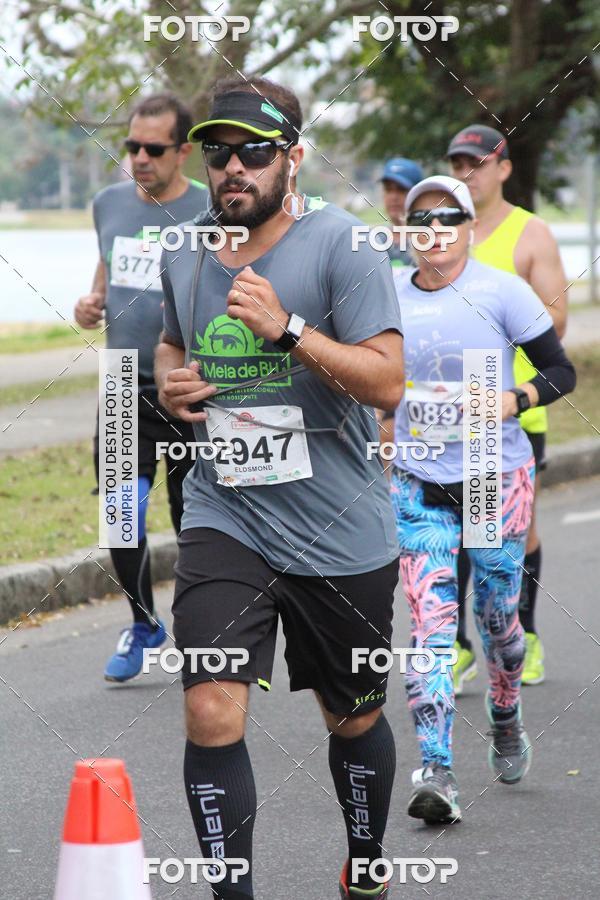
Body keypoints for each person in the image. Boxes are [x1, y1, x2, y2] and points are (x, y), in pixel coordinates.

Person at [155, 75, 404, 899]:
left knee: (354, 715)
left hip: (338, 524)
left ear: (292, 158)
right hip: (227, 512)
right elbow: (168, 346)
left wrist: (291, 332)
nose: (233, 168)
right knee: (211, 707)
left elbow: (387, 382)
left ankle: (366, 863)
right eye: (218, 151)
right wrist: (172, 386)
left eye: (253, 151)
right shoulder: (183, 251)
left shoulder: (344, 246)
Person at [390, 175, 575, 824]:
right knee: (431, 631)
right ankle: (436, 769)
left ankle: (505, 713)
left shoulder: (502, 291)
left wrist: (513, 400)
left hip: (494, 478)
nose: (433, 229)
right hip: (418, 483)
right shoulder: (385, 294)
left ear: (469, 228)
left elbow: (561, 371)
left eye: (448, 218)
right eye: (420, 219)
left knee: (499, 622)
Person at [75, 93, 209, 682]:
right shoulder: (107, 203)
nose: (140, 158)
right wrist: (90, 303)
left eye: (153, 149)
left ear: (183, 151)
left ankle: (198, 632)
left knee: (191, 519)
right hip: (123, 382)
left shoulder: (211, 210)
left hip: (187, 387)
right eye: (132, 146)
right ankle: (143, 622)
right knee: (121, 513)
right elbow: (106, 273)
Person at [447, 125, 569, 689]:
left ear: (503, 168)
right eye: (458, 163)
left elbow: (555, 326)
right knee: (458, 528)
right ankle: (460, 645)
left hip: (513, 408)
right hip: (450, 414)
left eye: (476, 162)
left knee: (514, 530)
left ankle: (527, 632)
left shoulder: (531, 233)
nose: (466, 172)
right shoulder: (443, 230)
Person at [379, 157, 424, 268]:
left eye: (401, 190)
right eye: (388, 189)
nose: (393, 197)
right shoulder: (375, 240)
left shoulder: (432, 242)